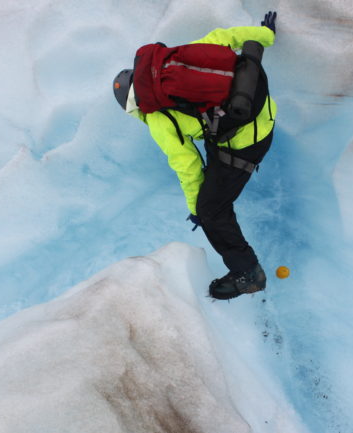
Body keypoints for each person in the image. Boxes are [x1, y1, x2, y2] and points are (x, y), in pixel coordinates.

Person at [112, 12, 277, 300]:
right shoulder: (178, 61)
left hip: (245, 142)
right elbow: (224, 38)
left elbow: (186, 165)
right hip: (260, 110)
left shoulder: (158, 119)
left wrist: (197, 210)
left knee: (211, 209)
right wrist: (265, 35)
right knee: (213, 168)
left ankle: (247, 274)